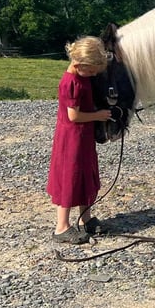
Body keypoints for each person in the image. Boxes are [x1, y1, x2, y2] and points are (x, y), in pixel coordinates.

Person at [47, 36, 112, 244]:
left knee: (85, 174)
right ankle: (61, 227)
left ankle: (86, 219)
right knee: (70, 177)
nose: (93, 75)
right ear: (79, 64)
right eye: (92, 71)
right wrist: (99, 115)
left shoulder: (83, 77)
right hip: (71, 139)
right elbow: (73, 116)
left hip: (83, 138)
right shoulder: (71, 83)